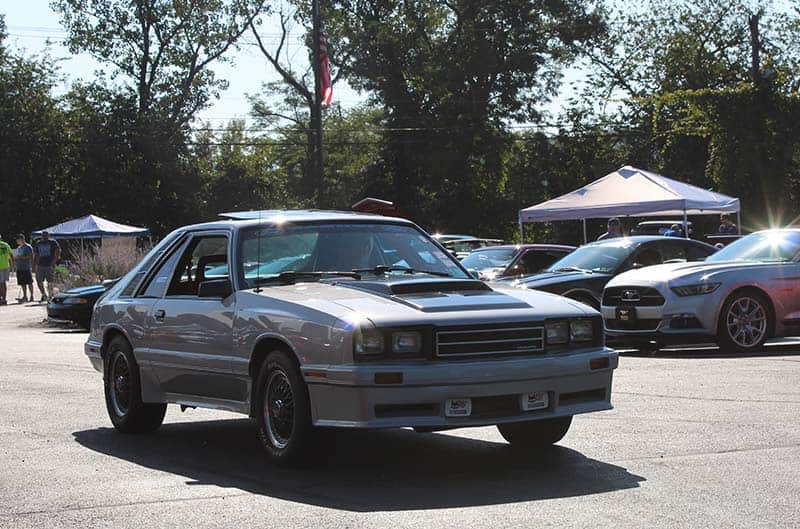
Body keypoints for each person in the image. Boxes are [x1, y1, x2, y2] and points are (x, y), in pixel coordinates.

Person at [33, 231, 61, 302]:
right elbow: (36, 254)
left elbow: (57, 251)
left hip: (49, 264)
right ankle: (43, 294)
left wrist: (54, 261)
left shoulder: (53, 242)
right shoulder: (38, 243)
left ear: (48, 235)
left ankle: (51, 295)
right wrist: (34, 265)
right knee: (39, 280)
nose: (44, 237)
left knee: (50, 281)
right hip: (40, 264)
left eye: (46, 235)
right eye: (43, 235)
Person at [14, 234, 34, 303]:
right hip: (20, 267)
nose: (17, 241)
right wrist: (16, 258)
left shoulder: (28, 247)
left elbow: (31, 256)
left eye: (18, 239)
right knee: (22, 283)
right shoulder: (19, 248)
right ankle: (25, 296)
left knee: (29, 282)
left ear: (22, 239)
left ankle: (32, 296)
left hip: (26, 267)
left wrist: (22, 258)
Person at [0, 234, 14, 306]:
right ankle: (4, 298)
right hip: (6, 266)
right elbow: (11, 255)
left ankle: (2, 299)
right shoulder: (6, 245)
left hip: (1, 267)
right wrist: (12, 266)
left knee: (1, 283)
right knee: (3, 283)